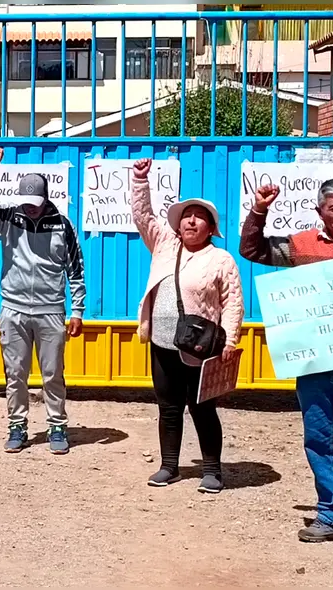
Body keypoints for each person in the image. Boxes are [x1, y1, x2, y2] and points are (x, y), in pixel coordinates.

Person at [240, 177, 333, 542]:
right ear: (320, 212)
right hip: (314, 360)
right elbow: (252, 250)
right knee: (319, 437)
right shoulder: (301, 245)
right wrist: (260, 208)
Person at [130, 158, 244, 494]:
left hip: (199, 346)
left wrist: (230, 341)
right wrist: (140, 181)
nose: (191, 221)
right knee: (167, 406)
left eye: (199, 218)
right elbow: (142, 217)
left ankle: (212, 470)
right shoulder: (165, 245)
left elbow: (233, 302)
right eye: (186, 217)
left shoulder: (220, 259)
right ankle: (169, 466)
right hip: (162, 341)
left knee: (202, 407)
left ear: (211, 227)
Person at [0, 146, 86, 454]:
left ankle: (57, 426)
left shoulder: (63, 224)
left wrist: (78, 310)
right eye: (26, 203)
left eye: (36, 203)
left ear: (46, 198)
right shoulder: (9, 217)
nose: (31, 208)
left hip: (50, 311)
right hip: (14, 309)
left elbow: (75, 268)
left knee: (52, 374)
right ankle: (17, 426)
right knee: (15, 373)